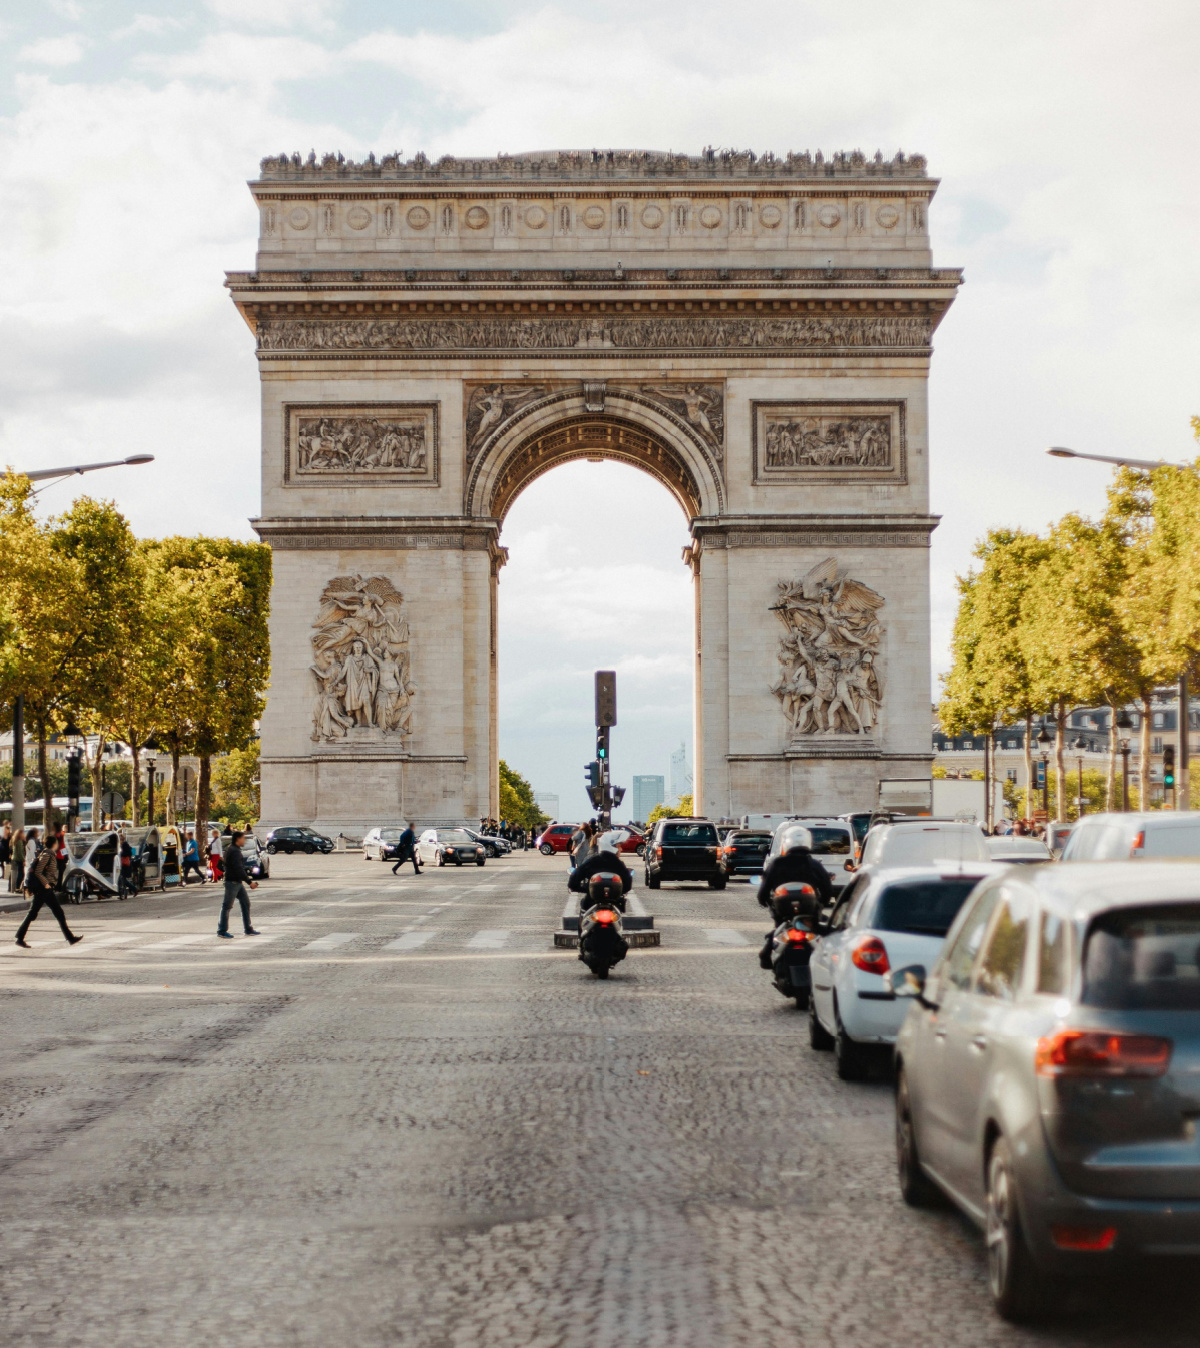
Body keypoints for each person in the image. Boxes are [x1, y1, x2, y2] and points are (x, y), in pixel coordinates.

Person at [15, 826, 80, 947]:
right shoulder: (47, 854)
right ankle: (19, 937)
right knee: (35, 913)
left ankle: (70, 938)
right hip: (43, 889)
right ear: (54, 844)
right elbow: (39, 871)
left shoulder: (48, 853)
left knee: (57, 912)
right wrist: (46, 884)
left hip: (45, 889)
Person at [217, 830, 260, 938]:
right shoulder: (235, 851)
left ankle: (248, 928)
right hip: (233, 882)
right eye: (243, 838)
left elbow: (222, 864)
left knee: (246, 903)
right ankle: (222, 930)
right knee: (227, 906)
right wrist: (250, 882)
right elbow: (238, 868)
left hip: (236, 882)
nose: (244, 840)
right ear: (238, 839)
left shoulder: (230, 848)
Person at [9, 826, 26, 893]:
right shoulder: (19, 841)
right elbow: (20, 852)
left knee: (19, 873)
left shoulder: (15, 840)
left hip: (15, 858)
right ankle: (17, 888)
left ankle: (17, 888)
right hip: (19, 859)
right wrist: (23, 860)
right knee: (20, 874)